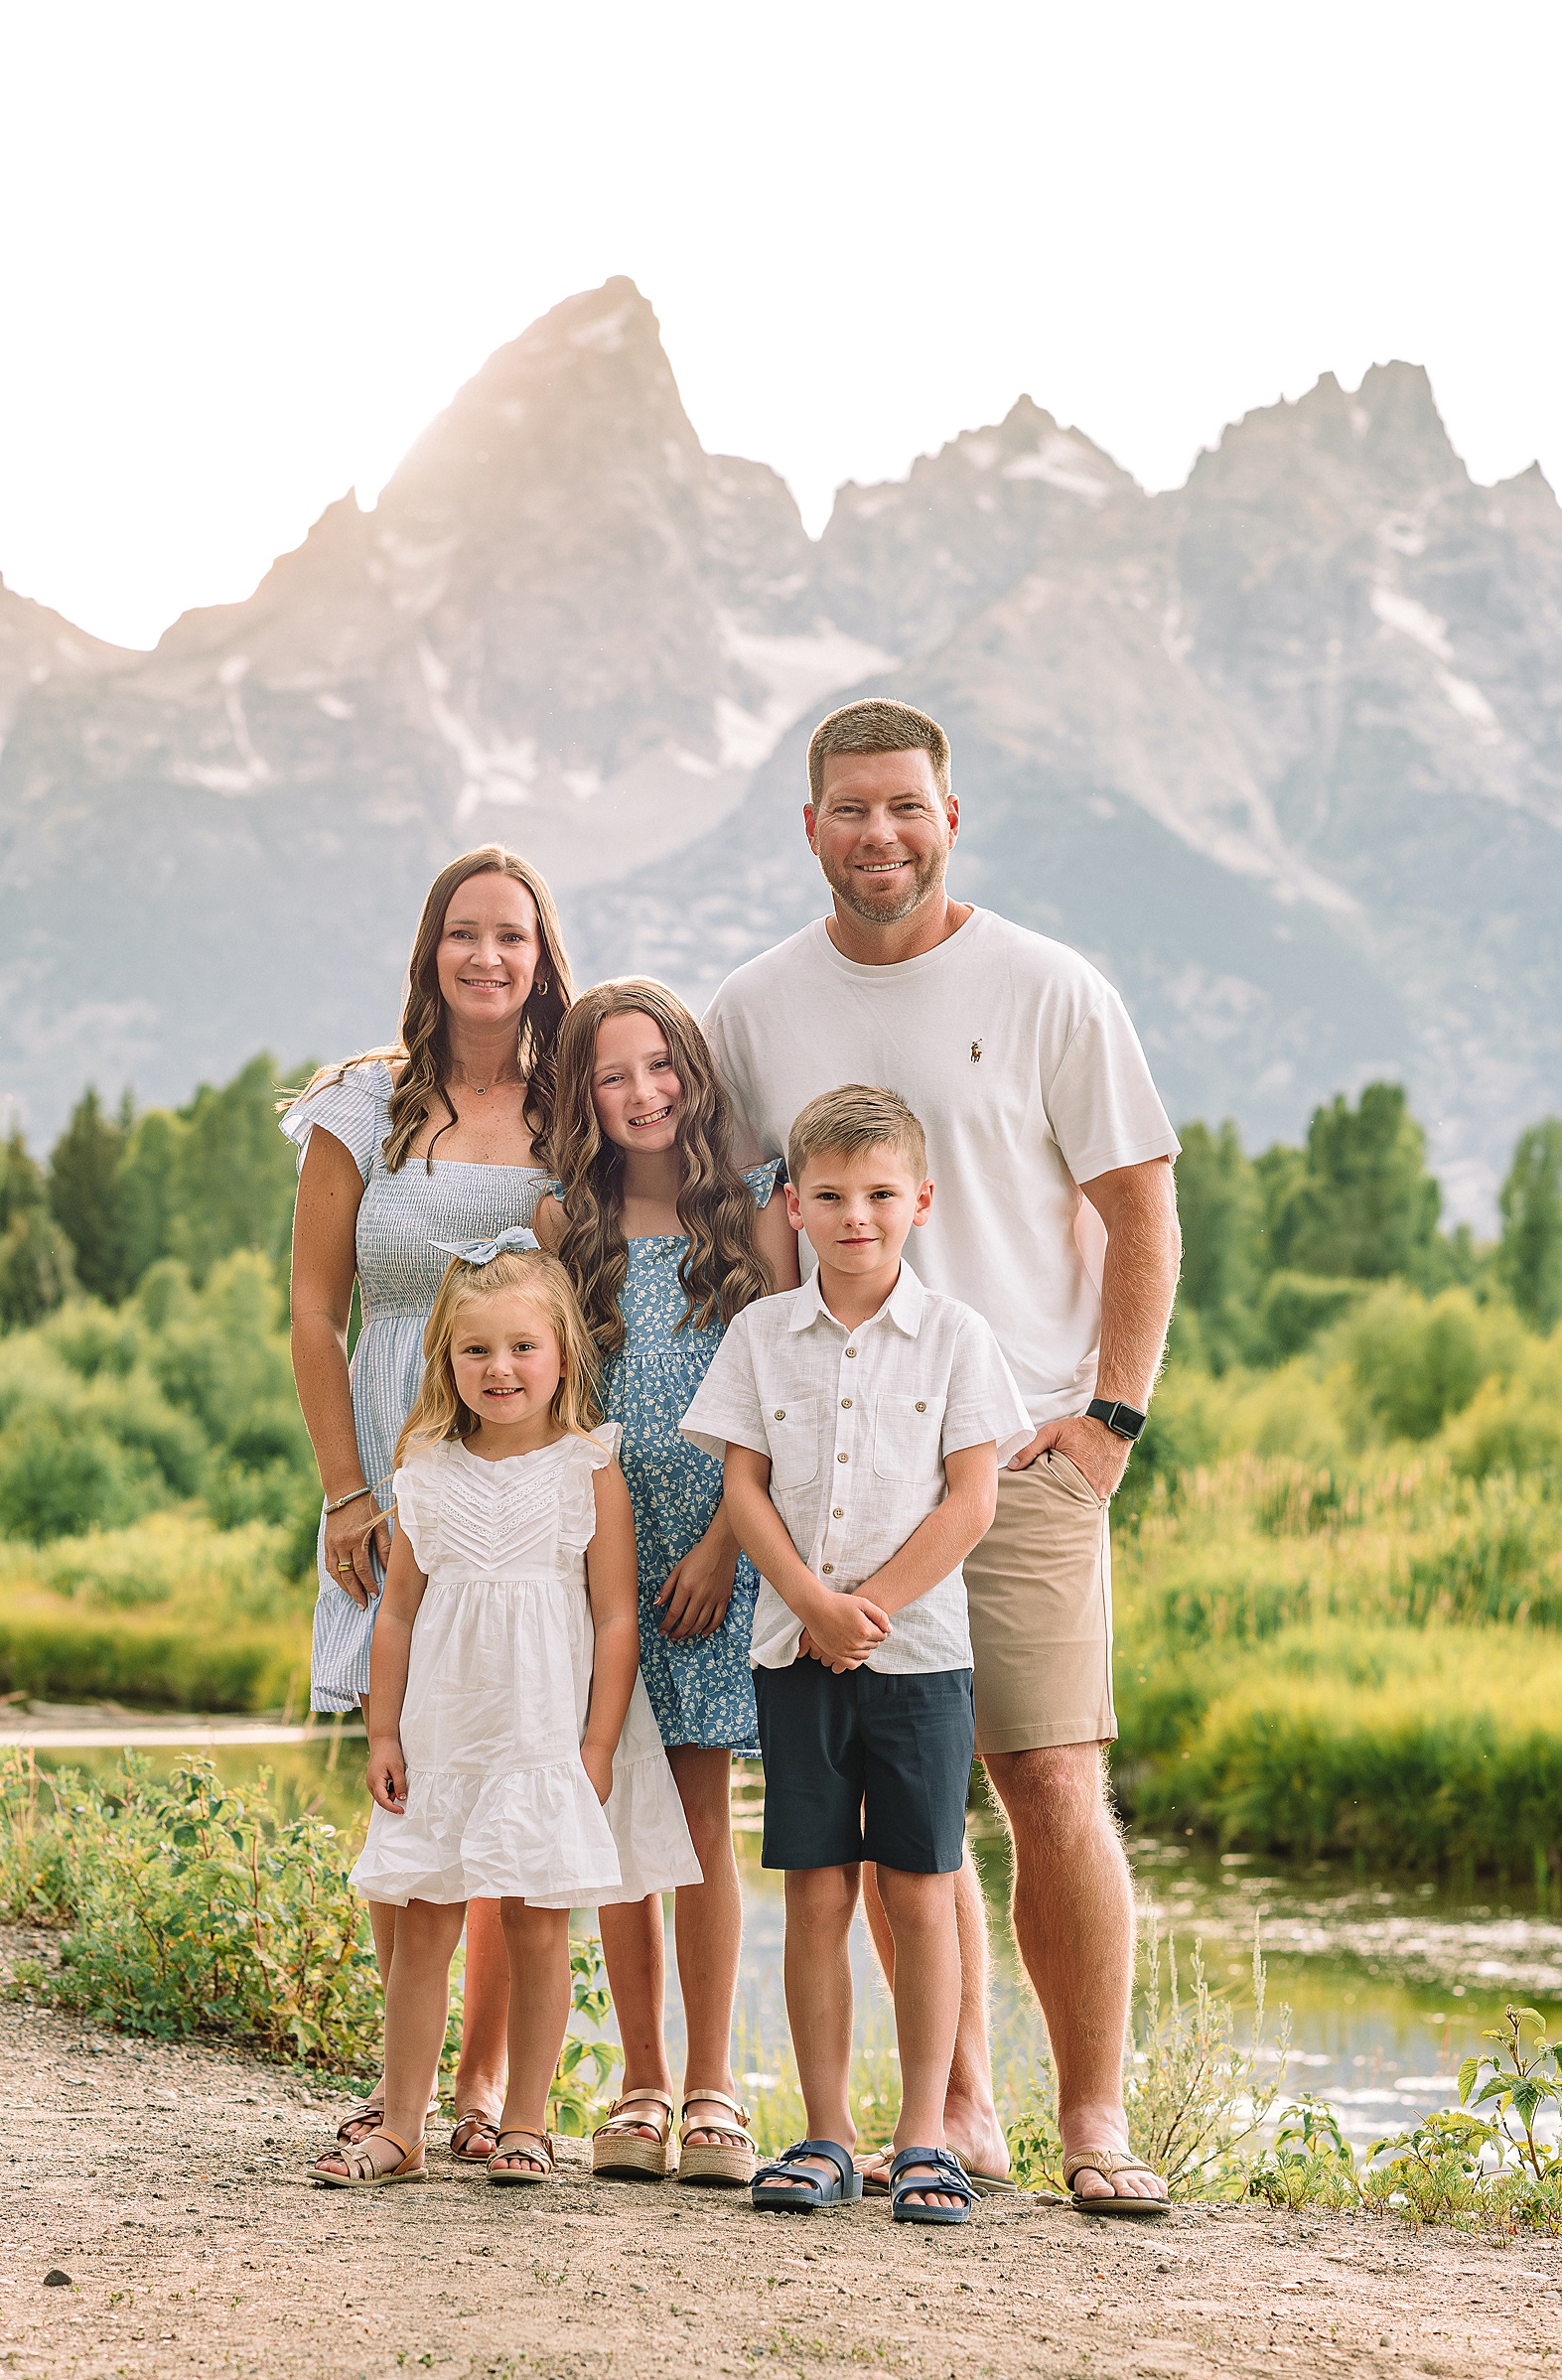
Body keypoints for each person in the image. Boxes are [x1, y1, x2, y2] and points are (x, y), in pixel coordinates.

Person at [703, 700, 1183, 2216]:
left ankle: (1094, 2121)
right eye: (850, 809)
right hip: (829, 1465)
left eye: (904, 807)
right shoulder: (754, 1007)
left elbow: (1143, 1207)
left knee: (1048, 1774)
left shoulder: (1049, 988)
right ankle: (954, 2108)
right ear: (810, 827)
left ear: (949, 816)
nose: (879, 835)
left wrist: (1110, 1420)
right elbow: (705, 1212)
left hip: (1017, 1447)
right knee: (902, 1810)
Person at [681, 1085, 1032, 2225]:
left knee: (921, 1894)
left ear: (920, 1202)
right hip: (791, 1655)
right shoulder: (758, 1336)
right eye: (827, 1195)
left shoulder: (958, 1338)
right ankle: (826, 2134)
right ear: (790, 1204)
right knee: (817, 1891)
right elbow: (742, 1485)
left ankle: (925, 2138)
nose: (854, 1217)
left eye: (880, 1195)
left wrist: (866, 1607)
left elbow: (972, 1500)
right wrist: (809, 1606)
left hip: (919, 1661)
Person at [282, 843, 572, 2163]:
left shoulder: (570, 1107)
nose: (488, 957)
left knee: (514, 1779)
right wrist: (348, 1490)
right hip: (397, 1467)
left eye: (512, 935)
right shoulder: (363, 1107)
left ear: (541, 954)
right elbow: (311, 1311)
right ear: (430, 949)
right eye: (466, 933)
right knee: (403, 1779)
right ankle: (395, 2087)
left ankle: (485, 2095)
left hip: (523, 1464)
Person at [306, 1232, 701, 2190]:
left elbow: (614, 1617)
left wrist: (598, 1742)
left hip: (542, 1734)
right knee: (424, 1917)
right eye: (476, 1349)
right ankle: (402, 2122)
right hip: (447, 1732)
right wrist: (386, 1729)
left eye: (523, 1346)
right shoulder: (428, 1466)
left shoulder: (586, 1466)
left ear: (563, 1350)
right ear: (447, 1358)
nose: (501, 1368)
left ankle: (527, 2121)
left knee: (535, 1924)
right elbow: (397, 1612)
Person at [534, 980, 799, 2186]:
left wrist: (728, 1548)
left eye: (659, 1068)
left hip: (712, 1557)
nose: (640, 1094)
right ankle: (637, 2082)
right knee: (615, 1822)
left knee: (696, 1822)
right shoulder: (561, 1227)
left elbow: (788, 1403)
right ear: (582, 1097)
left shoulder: (748, 1218)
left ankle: (712, 2088)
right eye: (610, 1075)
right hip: (598, 1562)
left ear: (690, 1075)